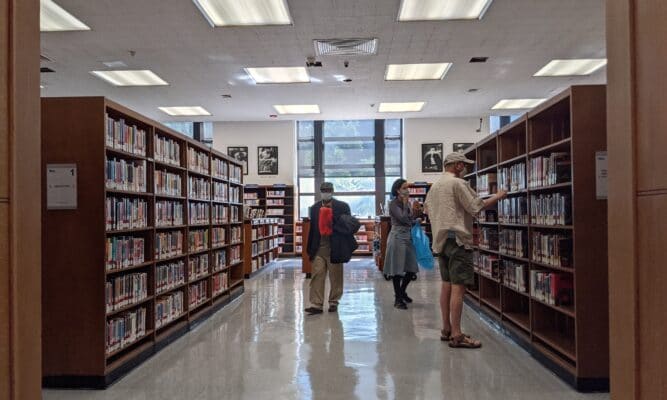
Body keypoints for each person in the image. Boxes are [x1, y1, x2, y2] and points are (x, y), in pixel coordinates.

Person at [424, 152, 506, 348]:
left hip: (441, 241)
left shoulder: (435, 186)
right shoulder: (458, 184)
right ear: (458, 165)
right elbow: (476, 207)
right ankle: (457, 334)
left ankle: (446, 328)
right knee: (458, 288)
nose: (466, 169)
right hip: (458, 241)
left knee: (446, 284)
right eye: (465, 165)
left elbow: (427, 210)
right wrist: (498, 196)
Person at [304, 182, 354, 315]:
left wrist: (334, 216)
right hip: (318, 247)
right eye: (323, 190)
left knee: (336, 276)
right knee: (317, 275)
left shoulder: (342, 206)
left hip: (335, 247)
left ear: (332, 191)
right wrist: (309, 249)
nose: (326, 192)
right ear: (320, 191)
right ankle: (316, 304)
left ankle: (333, 302)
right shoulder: (314, 208)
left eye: (328, 190)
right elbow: (313, 230)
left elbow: (347, 225)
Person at [383, 179, 421, 310]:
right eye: (404, 188)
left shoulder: (408, 203)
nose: (407, 190)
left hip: (407, 236)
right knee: (397, 270)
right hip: (397, 237)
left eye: (407, 187)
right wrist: (405, 205)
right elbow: (403, 218)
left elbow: (409, 220)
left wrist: (417, 216)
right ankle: (398, 299)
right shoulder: (393, 204)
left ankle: (402, 292)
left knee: (411, 269)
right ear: (398, 190)